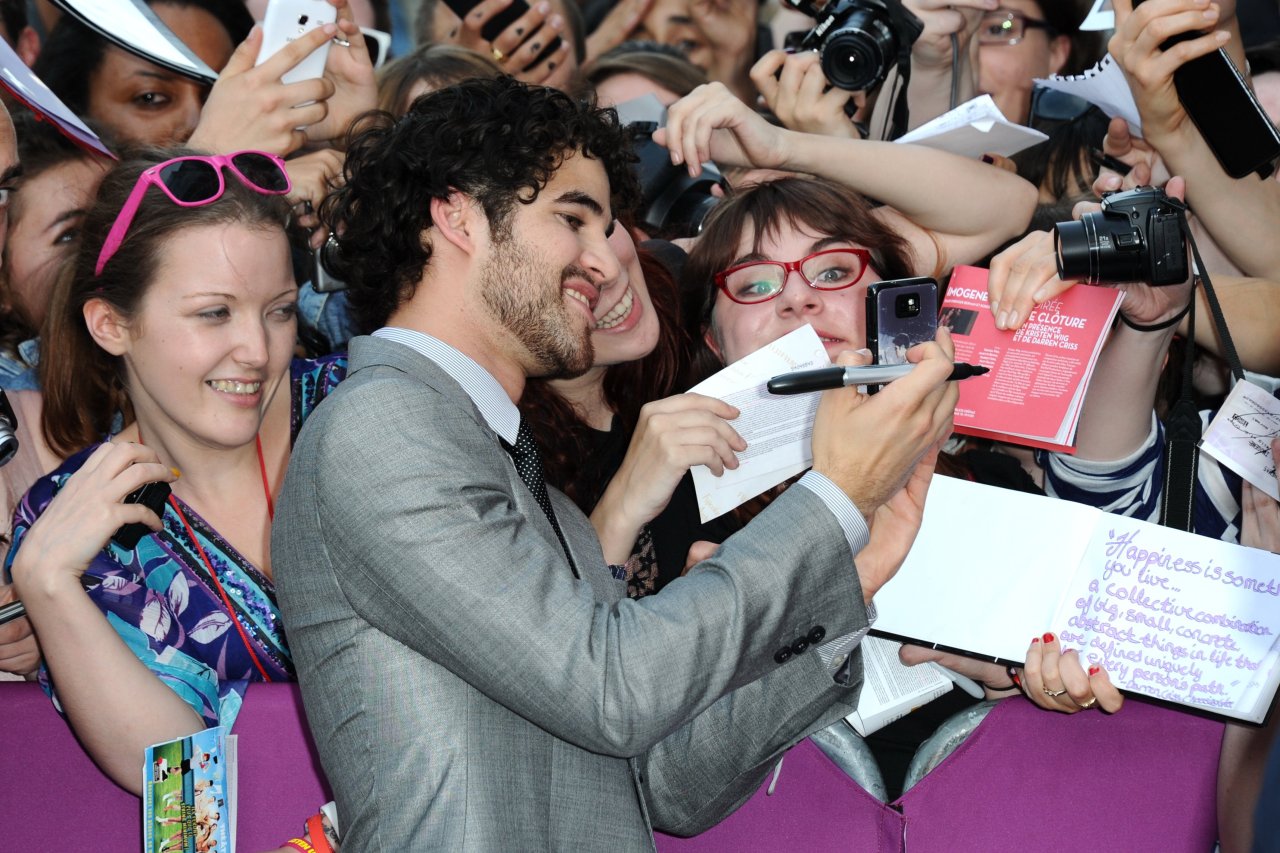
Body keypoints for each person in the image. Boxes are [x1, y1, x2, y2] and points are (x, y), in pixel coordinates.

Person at [273, 75, 959, 850]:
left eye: (609, 228)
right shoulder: (383, 426)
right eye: (574, 219)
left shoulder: (524, 480)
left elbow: (665, 784)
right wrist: (831, 500)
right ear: (457, 215)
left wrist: (849, 573)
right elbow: (613, 687)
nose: (605, 261)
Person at [2, 148, 346, 793]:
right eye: (213, 313)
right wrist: (47, 584)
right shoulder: (70, 523)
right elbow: (188, 794)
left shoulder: (362, 407)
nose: (258, 350)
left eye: (277, 310)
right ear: (110, 324)